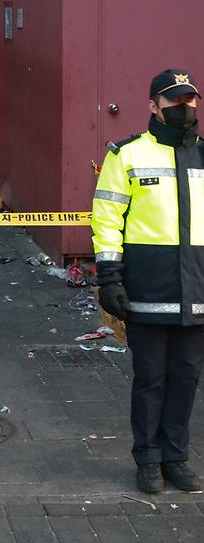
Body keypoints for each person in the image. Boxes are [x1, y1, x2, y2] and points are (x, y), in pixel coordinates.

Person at [92, 69, 204, 496]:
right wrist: (109, 277)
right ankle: (148, 459)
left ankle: (176, 457)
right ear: (153, 106)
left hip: (196, 293)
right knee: (150, 379)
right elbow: (106, 220)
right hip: (146, 290)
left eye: (190, 100)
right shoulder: (127, 156)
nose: (185, 108)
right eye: (174, 100)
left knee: (187, 378)